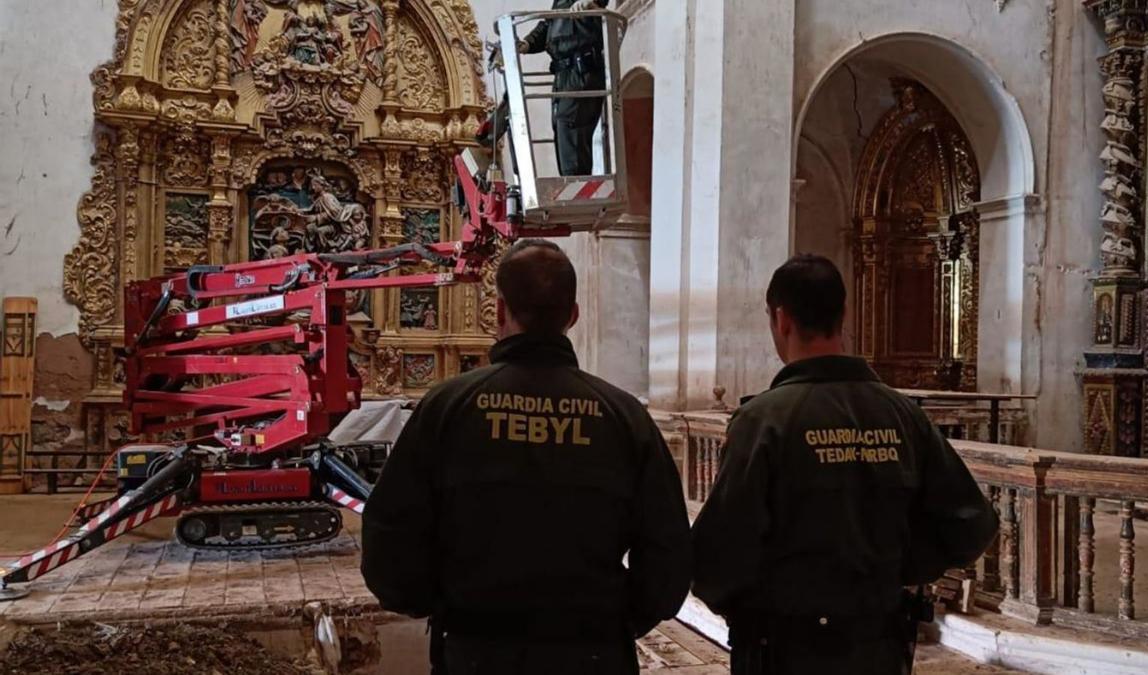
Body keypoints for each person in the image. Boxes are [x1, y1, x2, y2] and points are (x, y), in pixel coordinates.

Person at [362, 239, 691, 675]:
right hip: (592, 652)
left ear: (498, 311)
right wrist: (621, 618)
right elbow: (669, 549)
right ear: (573, 316)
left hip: (477, 650)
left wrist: (433, 603)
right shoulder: (622, 414)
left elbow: (390, 532)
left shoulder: (448, 407)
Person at [691, 254, 1000, 675]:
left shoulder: (764, 421)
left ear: (781, 320)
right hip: (879, 643)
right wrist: (899, 570)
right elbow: (972, 525)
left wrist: (747, 603)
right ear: (844, 315)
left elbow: (719, 553)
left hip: (784, 646)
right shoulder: (902, 415)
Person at [477, 0, 610, 176]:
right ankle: (571, 184)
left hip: (581, 71)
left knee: (571, 128)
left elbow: (600, 15)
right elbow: (549, 24)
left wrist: (592, 6)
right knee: (562, 130)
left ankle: (576, 187)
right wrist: (527, 44)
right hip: (563, 74)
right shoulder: (561, 2)